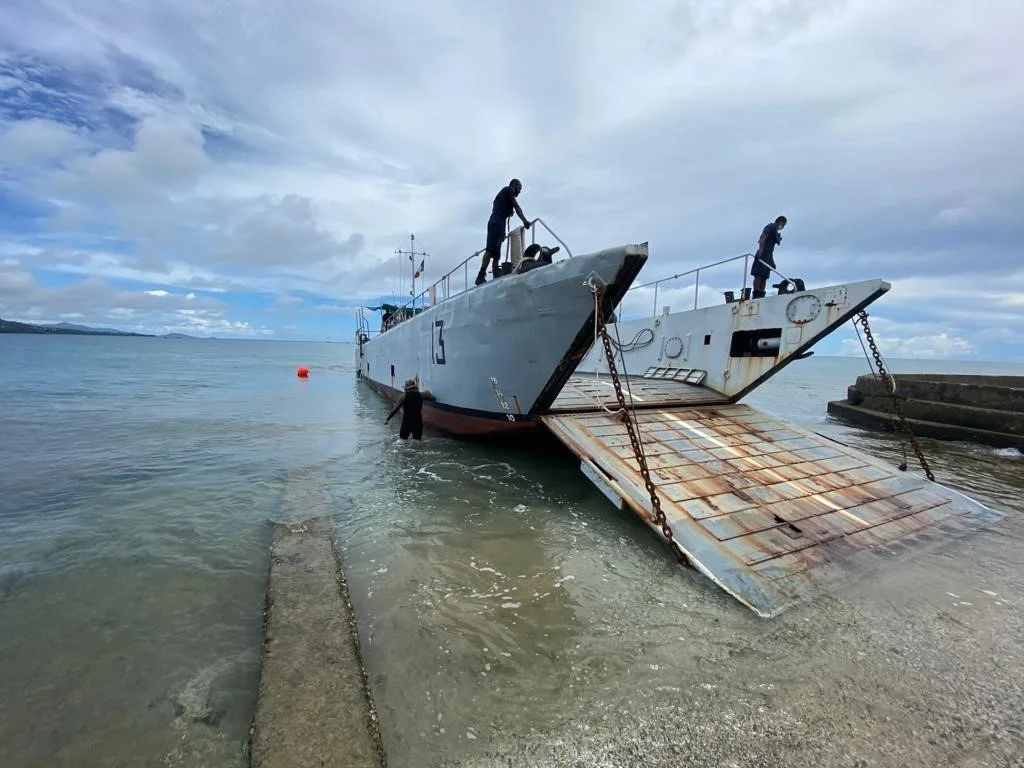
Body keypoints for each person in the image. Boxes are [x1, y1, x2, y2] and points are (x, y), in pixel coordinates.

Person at [475, 178, 531, 285]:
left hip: (499, 224)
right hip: (496, 222)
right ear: (514, 186)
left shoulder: (505, 196)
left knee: (496, 255)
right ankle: (481, 275)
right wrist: (525, 221)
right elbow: (517, 207)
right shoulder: (508, 190)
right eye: (519, 188)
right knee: (490, 250)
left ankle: (496, 277)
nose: (519, 191)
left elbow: (506, 207)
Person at [751, 215, 787, 298]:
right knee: (759, 275)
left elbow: (771, 249)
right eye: (783, 224)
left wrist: (772, 261)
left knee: (764, 276)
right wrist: (761, 250)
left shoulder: (775, 231)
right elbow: (763, 237)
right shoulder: (771, 226)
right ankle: (756, 294)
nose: (783, 226)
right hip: (763, 253)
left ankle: (761, 294)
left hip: (768, 255)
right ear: (780, 222)